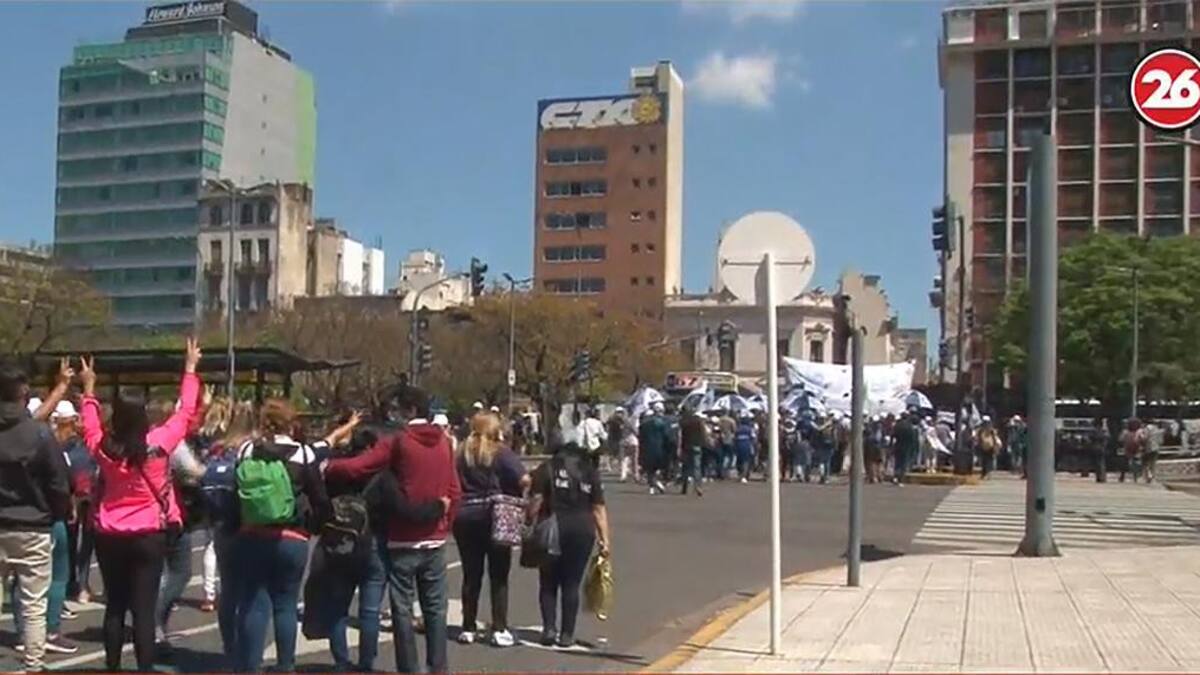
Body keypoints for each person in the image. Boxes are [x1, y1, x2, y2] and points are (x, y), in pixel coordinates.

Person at [79, 340, 202, 672]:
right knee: (143, 611)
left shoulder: (104, 447)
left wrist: (89, 388)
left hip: (110, 532)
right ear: (144, 415)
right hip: (149, 532)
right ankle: (145, 668)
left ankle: (113, 667)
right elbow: (185, 412)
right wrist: (190, 369)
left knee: (115, 606)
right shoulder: (159, 444)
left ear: (117, 417)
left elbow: (89, 425)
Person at [323, 384, 461, 674]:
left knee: (402, 609)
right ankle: (438, 667)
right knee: (436, 609)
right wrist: (444, 523)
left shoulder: (399, 441)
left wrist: (328, 466)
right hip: (435, 538)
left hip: (402, 537)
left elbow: (360, 466)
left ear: (409, 410)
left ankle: (408, 668)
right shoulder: (445, 442)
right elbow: (454, 489)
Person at [233, 399, 336, 672]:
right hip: (292, 536)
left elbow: (235, 491)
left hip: (252, 534)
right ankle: (285, 665)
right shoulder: (303, 453)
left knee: (255, 603)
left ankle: (250, 667)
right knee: (285, 605)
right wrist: (318, 525)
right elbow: (320, 497)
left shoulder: (247, 450)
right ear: (291, 423)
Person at [0, 358, 73, 671]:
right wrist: (56, 513)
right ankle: (34, 663)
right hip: (33, 524)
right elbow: (58, 482)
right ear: (23, 391)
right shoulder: (39, 434)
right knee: (33, 603)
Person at [453, 412, 529, 648]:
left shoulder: (461, 452)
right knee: (498, 575)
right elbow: (524, 479)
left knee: (471, 574)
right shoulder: (500, 452)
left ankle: (468, 627)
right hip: (495, 515)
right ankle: (499, 628)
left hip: (465, 515)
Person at [529, 440, 611, 648]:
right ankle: (567, 634)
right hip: (583, 530)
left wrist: (529, 521)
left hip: (553, 528)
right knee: (571, 583)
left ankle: (549, 629)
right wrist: (604, 540)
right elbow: (598, 508)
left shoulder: (546, 469)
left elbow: (536, 500)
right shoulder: (589, 472)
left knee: (548, 581)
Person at [59, 400, 97, 607]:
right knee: (74, 542)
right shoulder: (61, 444)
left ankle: (79, 584)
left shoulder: (85, 442)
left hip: (86, 495)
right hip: (73, 496)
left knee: (83, 542)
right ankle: (76, 583)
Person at [638, 403, 671, 494]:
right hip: (660, 448)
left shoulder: (645, 423)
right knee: (657, 468)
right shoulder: (662, 423)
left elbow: (641, 436)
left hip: (647, 448)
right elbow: (666, 436)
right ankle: (656, 484)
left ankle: (652, 486)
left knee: (650, 469)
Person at [678, 408, 707, 497]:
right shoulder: (698, 421)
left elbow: (680, 435)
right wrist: (703, 443)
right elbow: (703, 433)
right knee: (696, 467)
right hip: (697, 445)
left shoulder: (683, 422)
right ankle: (698, 487)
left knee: (685, 467)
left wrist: (679, 447)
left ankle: (684, 487)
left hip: (686, 446)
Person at [891, 411, 919, 486]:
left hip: (897, 445)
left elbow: (892, 436)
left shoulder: (897, 425)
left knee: (897, 463)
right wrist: (914, 448)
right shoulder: (909, 426)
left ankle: (895, 477)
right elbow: (912, 439)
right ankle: (900, 480)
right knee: (903, 464)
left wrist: (891, 446)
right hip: (906, 447)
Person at [578, 407, 608, 471]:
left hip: (585, 445)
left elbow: (580, 433)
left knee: (585, 463)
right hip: (596, 445)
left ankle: (587, 473)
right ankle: (594, 473)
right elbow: (602, 434)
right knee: (595, 463)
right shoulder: (597, 422)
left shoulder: (582, 422)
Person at [1119, 418, 1146, 483]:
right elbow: (1143, 439)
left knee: (1125, 463)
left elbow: (1120, 439)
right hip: (1137, 449)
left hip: (1127, 449)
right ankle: (1135, 477)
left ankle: (1122, 476)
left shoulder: (1125, 432)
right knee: (1136, 463)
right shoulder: (1140, 431)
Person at [734, 413, 758, 483]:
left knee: (739, 460)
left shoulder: (738, 429)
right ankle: (744, 476)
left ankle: (740, 474)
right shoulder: (750, 429)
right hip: (747, 445)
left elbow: (734, 438)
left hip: (738, 445)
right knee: (746, 461)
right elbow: (754, 438)